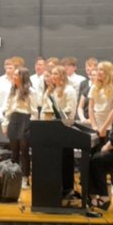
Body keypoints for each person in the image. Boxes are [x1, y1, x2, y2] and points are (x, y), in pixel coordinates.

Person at [41, 65, 79, 198]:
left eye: (56, 74)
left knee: (65, 160)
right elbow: (45, 109)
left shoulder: (69, 90)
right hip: (51, 130)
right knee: (52, 160)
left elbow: (70, 111)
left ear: (62, 76)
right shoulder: (50, 91)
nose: (53, 76)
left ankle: (67, 188)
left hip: (64, 130)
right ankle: (53, 188)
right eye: (52, 74)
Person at [2, 66, 36, 187]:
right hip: (14, 120)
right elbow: (8, 108)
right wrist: (5, 123)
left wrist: (31, 125)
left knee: (24, 151)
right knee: (14, 151)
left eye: (16, 75)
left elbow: (34, 111)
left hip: (25, 120)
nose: (14, 76)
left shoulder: (30, 91)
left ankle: (25, 177)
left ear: (22, 77)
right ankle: (14, 177)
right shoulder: (12, 90)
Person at [88, 61, 113, 144]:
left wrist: (104, 128)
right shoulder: (94, 87)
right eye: (98, 69)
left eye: (101, 70)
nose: (98, 72)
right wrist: (94, 126)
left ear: (108, 72)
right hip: (96, 126)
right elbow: (90, 108)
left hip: (109, 127)